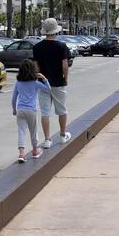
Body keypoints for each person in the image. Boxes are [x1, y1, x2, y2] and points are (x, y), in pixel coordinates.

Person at [33, 18, 72, 150]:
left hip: (43, 83)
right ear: (56, 31)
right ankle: (62, 135)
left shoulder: (37, 47)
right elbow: (65, 66)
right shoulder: (61, 47)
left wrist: (39, 78)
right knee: (62, 110)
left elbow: (36, 67)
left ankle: (47, 140)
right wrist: (65, 78)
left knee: (45, 112)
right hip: (58, 82)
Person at [11, 60, 50, 163]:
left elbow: (14, 97)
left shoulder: (18, 82)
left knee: (21, 131)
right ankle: (35, 150)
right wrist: (45, 79)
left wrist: (14, 109)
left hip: (20, 110)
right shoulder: (35, 83)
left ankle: (21, 153)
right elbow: (48, 89)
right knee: (33, 131)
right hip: (31, 110)